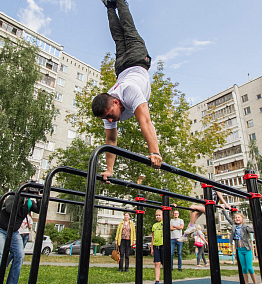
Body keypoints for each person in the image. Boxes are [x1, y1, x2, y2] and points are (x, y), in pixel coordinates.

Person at [94, 0, 162, 182]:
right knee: (117, 36)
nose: (110, 120)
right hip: (122, 67)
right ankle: (109, 6)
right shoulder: (108, 106)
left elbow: (145, 121)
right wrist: (109, 170)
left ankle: (119, 1)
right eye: (107, 118)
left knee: (127, 28)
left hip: (137, 58)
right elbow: (111, 141)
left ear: (116, 101)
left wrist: (154, 152)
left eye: (110, 115)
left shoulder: (129, 92)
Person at [0, 192, 40, 284]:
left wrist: (39, 197)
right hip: (0, 229)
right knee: (0, 259)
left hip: (14, 232)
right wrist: (22, 196)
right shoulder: (13, 196)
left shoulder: (29, 202)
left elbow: (40, 210)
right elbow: (10, 209)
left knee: (19, 256)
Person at [222, 210, 257, 284]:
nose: (237, 219)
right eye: (236, 218)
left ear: (242, 219)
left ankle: (255, 282)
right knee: (244, 268)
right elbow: (228, 218)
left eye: (239, 217)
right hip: (239, 249)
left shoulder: (245, 227)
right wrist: (224, 211)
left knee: (250, 268)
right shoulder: (234, 226)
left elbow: (252, 230)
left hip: (247, 249)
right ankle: (246, 283)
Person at [151, 209, 163, 284]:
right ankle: (157, 280)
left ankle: (167, 278)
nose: (158, 217)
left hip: (163, 245)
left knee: (165, 263)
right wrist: (152, 248)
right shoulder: (154, 225)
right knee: (157, 263)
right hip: (156, 246)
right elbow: (153, 237)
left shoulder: (164, 223)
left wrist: (172, 207)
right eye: (156, 215)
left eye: (159, 215)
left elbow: (169, 214)